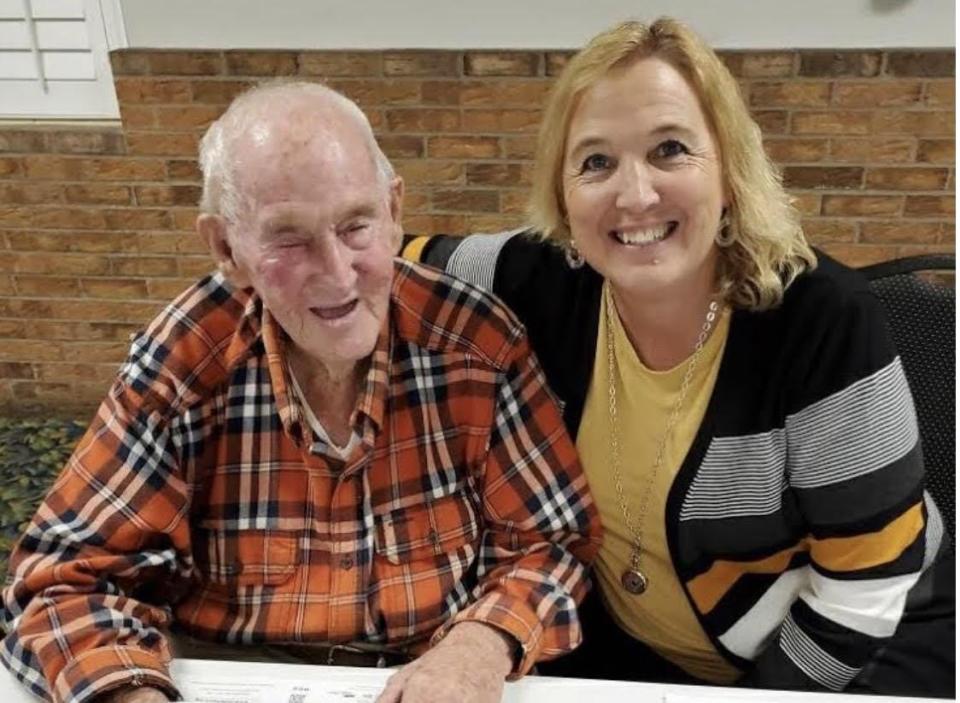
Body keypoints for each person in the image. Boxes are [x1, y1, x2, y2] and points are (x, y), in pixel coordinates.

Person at [0, 81, 602, 703]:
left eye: (356, 226)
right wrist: (133, 694)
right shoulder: (182, 362)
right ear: (227, 249)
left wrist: (478, 646)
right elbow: (61, 584)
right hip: (228, 675)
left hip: (429, 669)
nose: (337, 273)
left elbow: (550, 541)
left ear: (394, 212)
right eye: (289, 239)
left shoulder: (477, 344)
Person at [403, 17, 953, 697]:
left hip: (868, 648)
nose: (634, 195)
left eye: (669, 149)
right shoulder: (542, 278)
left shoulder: (821, 319)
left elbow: (863, 592)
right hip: (648, 660)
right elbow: (381, 256)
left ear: (728, 171)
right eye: (596, 161)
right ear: (563, 197)